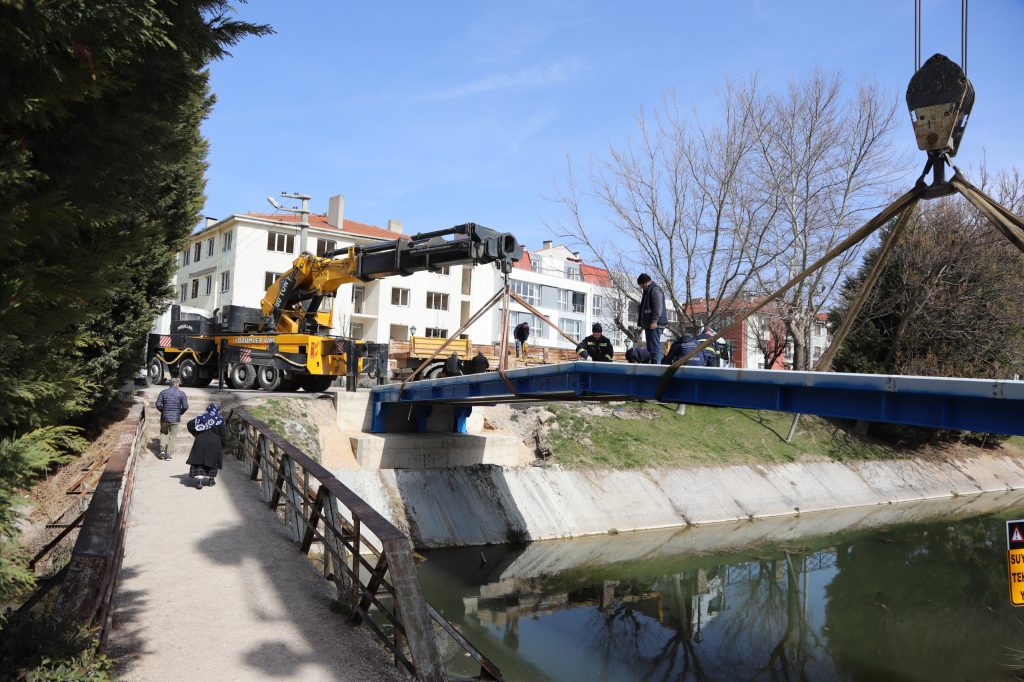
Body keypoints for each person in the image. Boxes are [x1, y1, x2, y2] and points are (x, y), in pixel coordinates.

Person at [186, 404, 227, 488]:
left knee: (199, 461)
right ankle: (211, 480)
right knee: (212, 462)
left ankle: (199, 482)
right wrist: (223, 443)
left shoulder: (201, 417)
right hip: (215, 444)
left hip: (200, 442)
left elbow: (189, 424)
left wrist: (195, 433)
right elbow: (224, 434)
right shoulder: (220, 420)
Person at [636, 273, 667, 364]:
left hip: (655, 324)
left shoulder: (654, 289)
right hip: (650, 324)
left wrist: (654, 321)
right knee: (651, 348)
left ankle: (656, 367)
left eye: (641, 285)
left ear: (645, 282)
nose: (641, 287)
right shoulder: (648, 291)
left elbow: (658, 306)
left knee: (654, 347)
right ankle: (656, 364)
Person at [155, 377, 188, 460]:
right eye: (178, 383)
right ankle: (168, 455)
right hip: (175, 419)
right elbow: (185, 406)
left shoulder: (163, 392)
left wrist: (163, 411)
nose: (179, 385)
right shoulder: (181, 393)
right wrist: (179, 413)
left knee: (163, 433)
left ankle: (162, 450)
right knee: (172, 436)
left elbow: (158, 404)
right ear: (176, 384)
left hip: (164, 418)